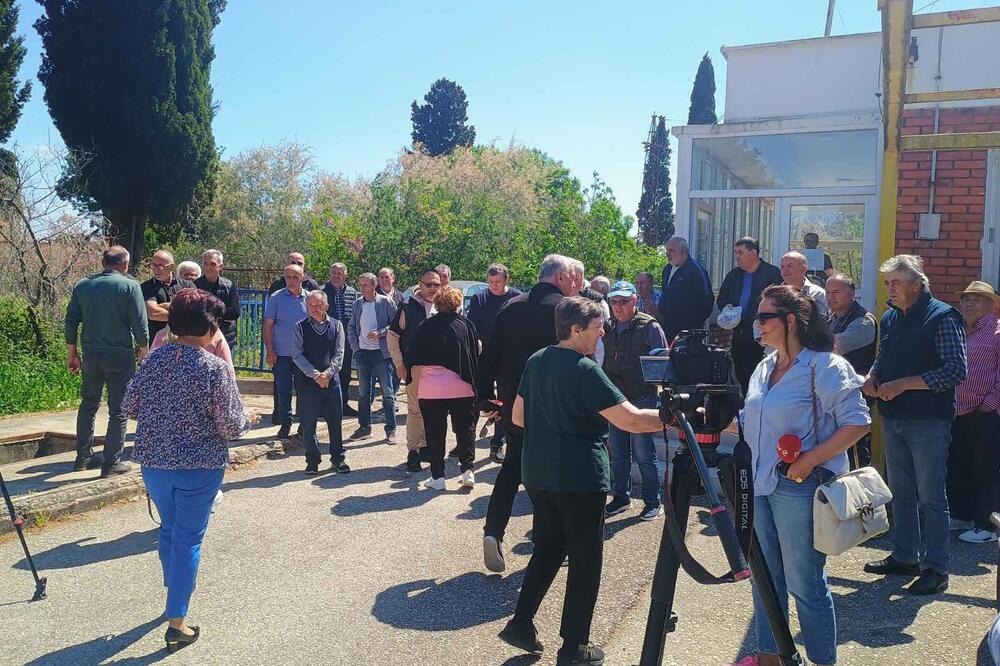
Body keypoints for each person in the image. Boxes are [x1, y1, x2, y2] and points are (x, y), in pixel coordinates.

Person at [498, 297, 663, 666]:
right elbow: (632, 421)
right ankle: (575, 646)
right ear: (576, 329)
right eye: (597, 326)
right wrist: (677, 418)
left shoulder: (537, 359)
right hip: (579, 479)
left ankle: (521, 623)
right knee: (586, 559)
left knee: (549, 549)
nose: (602, 331)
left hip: (539, 476)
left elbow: (519, 417)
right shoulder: (585, 369)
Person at [736, 284, 870, 666]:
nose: (757, 324)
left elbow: (858, 422)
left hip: (800, 485)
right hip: (760, 483)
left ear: (790, 320)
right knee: (764, 580)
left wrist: (809, 460)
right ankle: (769, 659)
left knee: (805, 584)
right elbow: (754, 421)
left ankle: (822, 661)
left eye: (764, 317)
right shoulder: (765, 366)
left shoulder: (824, 365)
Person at [122, 288, 252, 653]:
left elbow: (129, 406)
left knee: (169, 528)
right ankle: (176, 620)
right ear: (209, 327)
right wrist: (248, 419)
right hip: (199, 467)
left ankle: (173, 587)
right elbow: (230, 425)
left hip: (155, 464)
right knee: (188, 539)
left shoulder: (154, 360)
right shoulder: (215, 368)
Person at [862, 254, 967, 596]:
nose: (890, 289)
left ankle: (936, 567)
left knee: (931, 497)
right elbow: (883, 356)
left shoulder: (942, 316)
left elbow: (955, 371)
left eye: (896, 283)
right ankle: (905, 556)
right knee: (901, 493)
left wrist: (904, 383)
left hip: (928, 420)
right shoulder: (891, 317)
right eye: (887, 283)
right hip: (894, 417)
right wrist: (874, 376)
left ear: (917, 284)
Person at [478, 254, 576, 573]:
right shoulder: (565, 310)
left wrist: (486, 399)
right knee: (551, 475)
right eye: (572, 278)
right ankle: (545, 543)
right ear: (559, 278)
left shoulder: (511, 306)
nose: (575, 283)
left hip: (512, 405)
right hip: (554, 407)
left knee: (511, 470)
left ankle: (493, 530)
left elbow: (489, 354)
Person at [65, 246, 149, 476]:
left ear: (104, 262)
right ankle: (111, 463)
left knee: (88, 404)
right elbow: (140, 325)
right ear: (124, 263)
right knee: (118, 410)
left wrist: (72, 352)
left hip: (91, 354)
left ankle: (83, 457)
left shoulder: (83, 285)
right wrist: (144, 350)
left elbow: (71, 320)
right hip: (119, 355)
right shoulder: (130, 286)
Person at [602, 280, 668, 521]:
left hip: (642, 397)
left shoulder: (650, 327)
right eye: (613, 301)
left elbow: (662, 364)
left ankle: (653, 501)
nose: (617, 306)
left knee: (644, 454)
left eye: (622, 301)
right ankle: (621, 497)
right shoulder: (607, 327)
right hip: (616, 400)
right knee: (618, 453)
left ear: (633, 301)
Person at [408, 286, 481, 490]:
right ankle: (468, 471)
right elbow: (477, 349)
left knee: (434, 432)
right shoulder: (465, 325)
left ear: (437, 303)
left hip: (432, 388)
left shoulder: (426, 326)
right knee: (466, 429)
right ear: (458, 303)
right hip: (462, 386)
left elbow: (412, 353)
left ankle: (438, 477)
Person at [947, 281, 1000, 544]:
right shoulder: (959, 331)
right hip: (957, 411)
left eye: (976, 299)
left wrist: (990, 404)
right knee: (959, 466)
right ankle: (963, 515)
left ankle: (986, 526)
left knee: (984, 469)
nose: (968, 303)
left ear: (993, 305)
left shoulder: (998, 333)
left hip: (986, 414)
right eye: (965, 299)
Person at [466, 263, 522, 462]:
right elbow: (472, 326)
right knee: (486, 399)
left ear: (506, 280)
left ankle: (498, 441)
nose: (494, 286)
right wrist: (477, 341)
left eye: (498, 282)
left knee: (506, 399)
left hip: (510, 357)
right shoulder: (480, 298)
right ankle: (466, 443)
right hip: (487, 356)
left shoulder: (516, 297)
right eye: (490, 282)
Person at [292, 290, 349, 475]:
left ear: (326, 305)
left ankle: (338, 459)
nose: (314, 309)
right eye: (311, 306)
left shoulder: (337, 325)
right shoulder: (299, 326)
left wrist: (328, 374)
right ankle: (312, 460)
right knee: (308, 424)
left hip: (332, 382)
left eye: (318, 305)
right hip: (307, 383)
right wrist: (316, 375)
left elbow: (339, 354)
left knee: (335, 422)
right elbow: (297, 355)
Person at [389, 268, 440, 472]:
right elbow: (393, 336)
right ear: (420, 284)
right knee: (415, 410)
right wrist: (399, 364)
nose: (433, 288)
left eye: (437, 285)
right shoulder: (407, 307)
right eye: (429, 284)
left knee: (432, 410)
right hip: (415, 369)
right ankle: (413, 451)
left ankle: (427, 446)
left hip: (438, 371)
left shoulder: (442, 306)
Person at [716, 237, 782, 394]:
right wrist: (727, 307)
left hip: (765, 337)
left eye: (740, 252)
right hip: (740, 334)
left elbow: (781, 302)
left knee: (765, 377)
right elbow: (721, 299)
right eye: (735, 252)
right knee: (743, 377)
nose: (737, 257)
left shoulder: (772, 274)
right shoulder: (733, 275)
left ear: (753, 253)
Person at [825, 274, 877, 468]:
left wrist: (808, 339)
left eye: (836, 292)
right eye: (828, 292)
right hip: (835, 393)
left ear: (852, 294)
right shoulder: (831, 318)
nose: (831, 297)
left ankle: (861, 495)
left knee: (854, 449)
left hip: (856, 396)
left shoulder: (864, 321)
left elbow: (835, 346)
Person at [347, 273, 398, 443]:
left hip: (382, 354)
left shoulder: (386, 302)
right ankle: (364, 428)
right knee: (363, 394)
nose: (362, 288)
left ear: (374, 285)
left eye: (365, 285)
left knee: (388, 393)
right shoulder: (357, 304)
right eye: (360, 285)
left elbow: (396, 325)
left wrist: (381, 333)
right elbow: (352, 327)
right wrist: (356, 348)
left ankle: (391, 430)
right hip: (363, 354)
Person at [263, 263, 309, 438]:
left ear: (302, 278)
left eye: (295, 277)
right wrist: (270, 350)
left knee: (304, 390)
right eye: (288, 277)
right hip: (281, 353)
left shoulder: (309, 298)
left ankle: (304, 425)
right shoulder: (276, 297)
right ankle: (285, 423)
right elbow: (268, 325)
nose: (291, 281)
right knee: (283, 389)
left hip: (303, 354)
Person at [658, 236, 714, 342]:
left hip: (687, 332)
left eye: (672, 250)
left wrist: (691, 323)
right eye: (667, 250)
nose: (668, 254)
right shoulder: (667, 269)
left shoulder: (696, 270)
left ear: (684, 252)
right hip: (667, 329)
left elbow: (707, 301)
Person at [323, 263, 359, 417]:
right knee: (327, 370)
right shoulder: (322, 291)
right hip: (327, 338)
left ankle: (342, 403)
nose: (336, 276)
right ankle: (324, 406)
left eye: (339, 273)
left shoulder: (351, 292)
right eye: (334, 273)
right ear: (330, 275)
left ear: (345, 276)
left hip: (346, 339)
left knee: (345, 373)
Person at [141, 249, 195, 343]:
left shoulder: (188, 286)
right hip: (156, 343)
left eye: (160, 266)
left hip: (185, 342)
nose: (156, 269)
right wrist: (182, 313)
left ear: (171, 266)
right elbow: (153, 313)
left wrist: (165, 306)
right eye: (153, 265)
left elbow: (195, 310)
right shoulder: (146, 287)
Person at [194, 249, 240, 350]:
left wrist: (209, 310)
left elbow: (235, 312)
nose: (209, 267)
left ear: (221, 266)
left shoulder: (229, 285)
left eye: (213, 264)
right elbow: (193, 312)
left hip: (225, 337)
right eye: (206, 263)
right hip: (200, 337)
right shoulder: (195, 285)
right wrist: (221, 311)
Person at [780, 251, 829, 317]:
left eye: (790, 266)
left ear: (803, 269)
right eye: (782, 266)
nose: (785, 270)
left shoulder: (819, 294)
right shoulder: (774, 295)